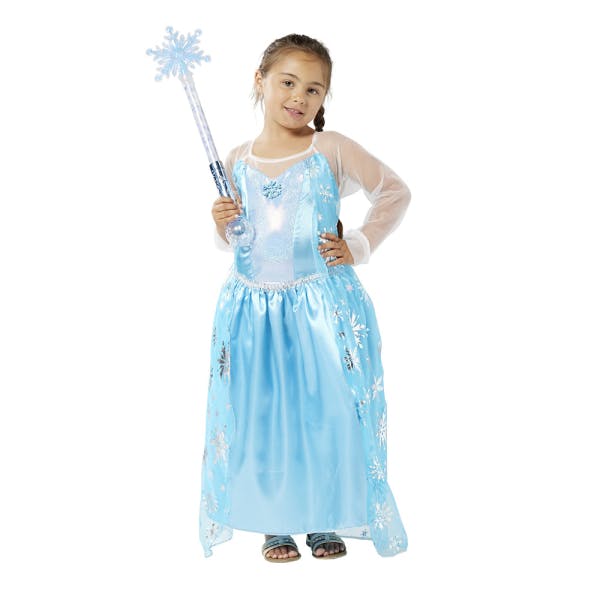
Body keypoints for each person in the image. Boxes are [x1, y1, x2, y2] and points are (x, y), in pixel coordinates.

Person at [200, 33, 411, 562]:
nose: (299, 97)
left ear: (324, 99)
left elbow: (393, 191)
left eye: (314, 89)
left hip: (321, 306)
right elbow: (241, 239)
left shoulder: (330, 149)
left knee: (326, 409)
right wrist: (222, 223)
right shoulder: (237, 160)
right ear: (260, 81)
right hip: (253, 310)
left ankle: (322, 515)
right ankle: (275, 521)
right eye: (288, 82)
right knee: (265, 411)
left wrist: (357, 244)